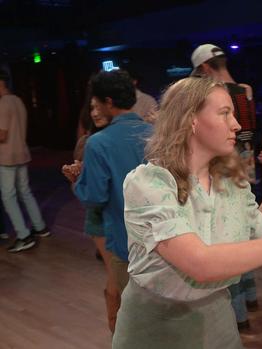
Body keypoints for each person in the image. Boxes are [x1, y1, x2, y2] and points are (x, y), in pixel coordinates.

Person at [112, 76, 262, 348]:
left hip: (217, 316)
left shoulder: (228, 180)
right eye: (225, 113)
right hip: (156, 324)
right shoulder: (149, 182)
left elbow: (260, 232)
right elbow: (200, 265)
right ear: (190, 119)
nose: (237, 125)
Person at [73, 69, 152, 332]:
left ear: (108, 102)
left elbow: (94, 197)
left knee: (133, 318)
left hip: (124, 240)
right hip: (163, 238)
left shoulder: (99, 143)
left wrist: (75, 181)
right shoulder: (154, 132)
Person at [191, 43, 260, 328]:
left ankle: (239, 314)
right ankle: (252, 295)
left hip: (221, 165)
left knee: (226, 236)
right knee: (244, 228)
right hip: (246, 164)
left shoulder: (211, 96)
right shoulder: (245, 90)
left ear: (205, 68)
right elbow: (249, 129)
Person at [62, 86, 118, 332]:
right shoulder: (87, 143)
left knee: (123, 277)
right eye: (91, 108)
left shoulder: (121, 138)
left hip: (124, 217)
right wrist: (75, 180)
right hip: (100, 219)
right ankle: (118, 332)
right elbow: (85, 194)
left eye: (99, 106)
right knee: (116, 277)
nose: (95, 112)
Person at [0, 71, 50, 253]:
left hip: (7, 156)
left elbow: (2, 134)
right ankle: (40, 227)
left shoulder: (3, 103)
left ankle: (23, 235)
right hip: (22, 152)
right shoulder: (18, 100)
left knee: (8, 196)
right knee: (25, 192)